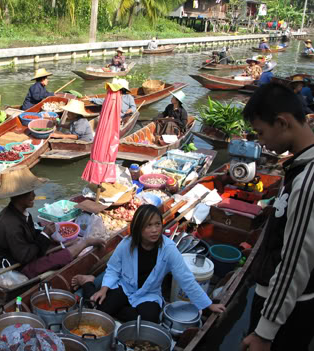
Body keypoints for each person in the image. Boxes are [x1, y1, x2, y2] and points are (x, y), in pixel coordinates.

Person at [240, 83, 314, 351]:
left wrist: (264, 333)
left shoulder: (307, 183)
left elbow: (294, 263)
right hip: (284, 304)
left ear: (282, 123)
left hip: (286, 312)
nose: (260, 141)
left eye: (261, 132)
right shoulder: (300, 166)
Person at [71, 205, 225, 323]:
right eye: (148, 226)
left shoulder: (168, 249)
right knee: (100, 308)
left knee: (150, 320)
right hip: (124, 287)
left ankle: (116, 307)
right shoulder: (127, 244)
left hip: (149, 294)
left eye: (157, 224)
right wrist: (104, 289)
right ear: (139, 228)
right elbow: (113, 269)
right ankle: (88, 283)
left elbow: (186, 279)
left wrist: (208, 305)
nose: (154, 230)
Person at [0, 165, 104, 279]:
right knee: (57, 258)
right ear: (18, 196)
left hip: (26, 252)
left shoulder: (22, 213)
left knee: (57, 245)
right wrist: (45, 234)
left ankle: (75, 244)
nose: (34, 195)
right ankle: (86, 242)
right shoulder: (11, 224)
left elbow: (31, 236)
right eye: (30, 192)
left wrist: (46, 235)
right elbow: (25, 257)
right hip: (17, 265)